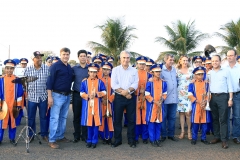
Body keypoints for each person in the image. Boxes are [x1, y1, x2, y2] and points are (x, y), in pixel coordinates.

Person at [111, 50, 139, 148]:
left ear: (129, 59)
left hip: (131, 97)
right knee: (117, 120)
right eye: (124, 58)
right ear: (120, 59)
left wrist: (127, 91)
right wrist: (125, 93)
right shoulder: (115, 70)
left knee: (131, 120)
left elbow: (135, 83)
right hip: (119, 97)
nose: (126, 60)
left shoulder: (134, 70)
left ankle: (131, 140)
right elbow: (113, 84)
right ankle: (117, 140)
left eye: (127, 58)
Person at [47, 47, 74, 149]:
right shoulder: (55, 66)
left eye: (67, 54)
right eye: (64, 54)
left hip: (67, 96)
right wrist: (50, 97)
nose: (66, 56)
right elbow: (49, 82)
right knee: (54, 118)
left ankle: (60, 136)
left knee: (63, 117)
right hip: (57, 95)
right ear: (60, 55)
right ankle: (52, 140)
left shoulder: (68, 67)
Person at [24, 51, 49, 143]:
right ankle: (30, 135)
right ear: (33, 59)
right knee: (31, 117)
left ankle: (44, 134)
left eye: (40, 57)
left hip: (43, 97)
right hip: (31, 98)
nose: (39, 59)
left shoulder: (46, 68)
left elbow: (49, 82)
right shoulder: (28, 69)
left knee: (43, 117)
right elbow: (24, 83)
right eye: (37, 57)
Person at [209, 55, 233, 149]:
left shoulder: (226, 71)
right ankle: (217, 137)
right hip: (212, 98)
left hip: (223, 97)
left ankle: (224, 140)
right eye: (213, 61)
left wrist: (230, 99)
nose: (214, 63)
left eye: (216, 61)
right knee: (215, 118)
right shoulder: (209, 73)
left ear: (220, 62)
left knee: (223, 119)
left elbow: (230, 85)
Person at [80, 63, 106, 148]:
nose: (93, 74)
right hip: (87, 106)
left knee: (96, 124)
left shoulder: (100, 82)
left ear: (97, 72)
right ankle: (89, 140)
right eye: (91, 72)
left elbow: (104, 92)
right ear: (88, 72)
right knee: (89, 123)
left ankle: (95, 141)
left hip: (97, 105)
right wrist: (87, 96)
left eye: (94, 72)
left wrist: (97, 94)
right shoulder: (84, 82)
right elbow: (81, 92)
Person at [0, 59, 24, 145]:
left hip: (13, 104)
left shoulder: (18, 80)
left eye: (11, 68)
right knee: (1, 122)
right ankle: (0, 139)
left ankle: (12, 138)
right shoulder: (1, 80)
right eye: (7, 68)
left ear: (13, 69)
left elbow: (20, 94)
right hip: (3, 104)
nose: (9, 70)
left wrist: (18, 106)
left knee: (13, 122)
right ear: (5, 69)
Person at [188, 67, 211, 145]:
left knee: (204, 122)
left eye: (202, 74)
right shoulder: (192, 84)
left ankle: (203, 138)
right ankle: (194, 138)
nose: (200, 76)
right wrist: (198, 101)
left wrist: (205, 101)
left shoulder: (207, 84)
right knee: (195, 122)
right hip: (196, 105)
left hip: (205, 105)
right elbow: (190, 94)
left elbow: (209, 94)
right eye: (198, 74)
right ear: (195, 75)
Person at [145, 64, 167, 147]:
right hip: (152, 106)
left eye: (159, 71)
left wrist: (162, 100)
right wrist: (154, 101)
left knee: (158, 123)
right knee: (151, 123)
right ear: (152, 72)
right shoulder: (149, 83)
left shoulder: (164, 83)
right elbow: (147, 94)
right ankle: (152, 139)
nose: (158, 73)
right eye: (156, 71)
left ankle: (157, 139)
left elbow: (165, 94)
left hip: (160, 105)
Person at [71, 50, 88, 143]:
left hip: (86, 95)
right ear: (78, 57)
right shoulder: (74, 68)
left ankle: (84, 135)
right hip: (76, 94)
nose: (83, 57)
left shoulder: (90, 68)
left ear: (86, 57)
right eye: (81, 56)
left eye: (84, 56)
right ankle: (76, 135)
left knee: (85, 115)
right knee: (76, 115)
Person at [161, 54, 178, 142]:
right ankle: (163, 135)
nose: (171, 61)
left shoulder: (174, 70)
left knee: (172, 117)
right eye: (170, 60)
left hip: (174, 98)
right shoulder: (161, 70)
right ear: (165, 60)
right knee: (163, 117)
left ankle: (171, 134)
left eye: (172, 60)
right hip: (165, 98)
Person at [225, 50, 240, 144]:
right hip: (225, 95)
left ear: (236, 56)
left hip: (237, 94)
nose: (229, 57)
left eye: (231, 55)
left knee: (237, 116)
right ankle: (225, 135)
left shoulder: (239, 68)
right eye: (228, 56)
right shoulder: (223, 68)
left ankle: (235, 135)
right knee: (225, 116)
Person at [176, 55, 193, 140]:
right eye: (183, 60)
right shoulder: (177, 71)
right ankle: (182, 131)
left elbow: (196, 79)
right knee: (181, 113)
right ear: (180, 61)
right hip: (180, 94)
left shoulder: (191, 70)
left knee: (188, 113)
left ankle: (189, 131)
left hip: (189, 93)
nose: (185, 62)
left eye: (186, 60)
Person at [98, 62, 114, 145]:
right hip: (101, 102)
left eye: (108, 69)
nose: (106, 71)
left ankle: (109, 137)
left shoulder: (113, 80)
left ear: (110, 70)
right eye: (104, 69)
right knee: (101, 118)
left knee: (110, 119)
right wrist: (101, 99)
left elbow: (115, 92)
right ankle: (102, 136)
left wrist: (109, 100)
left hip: (110, 103)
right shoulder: (99, 80)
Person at [135, 56, 149, 144]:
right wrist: (138, 91)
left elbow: (151, 85)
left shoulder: (149, 74)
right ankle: (136, 137)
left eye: (143, 64)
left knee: (144, 117)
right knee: (136, 117)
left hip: (145, 98)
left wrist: (145, 93)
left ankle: (144, 137)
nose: (142, 65)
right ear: (137, 64)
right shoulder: (134, 73)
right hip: (136, 97)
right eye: (140, 64)